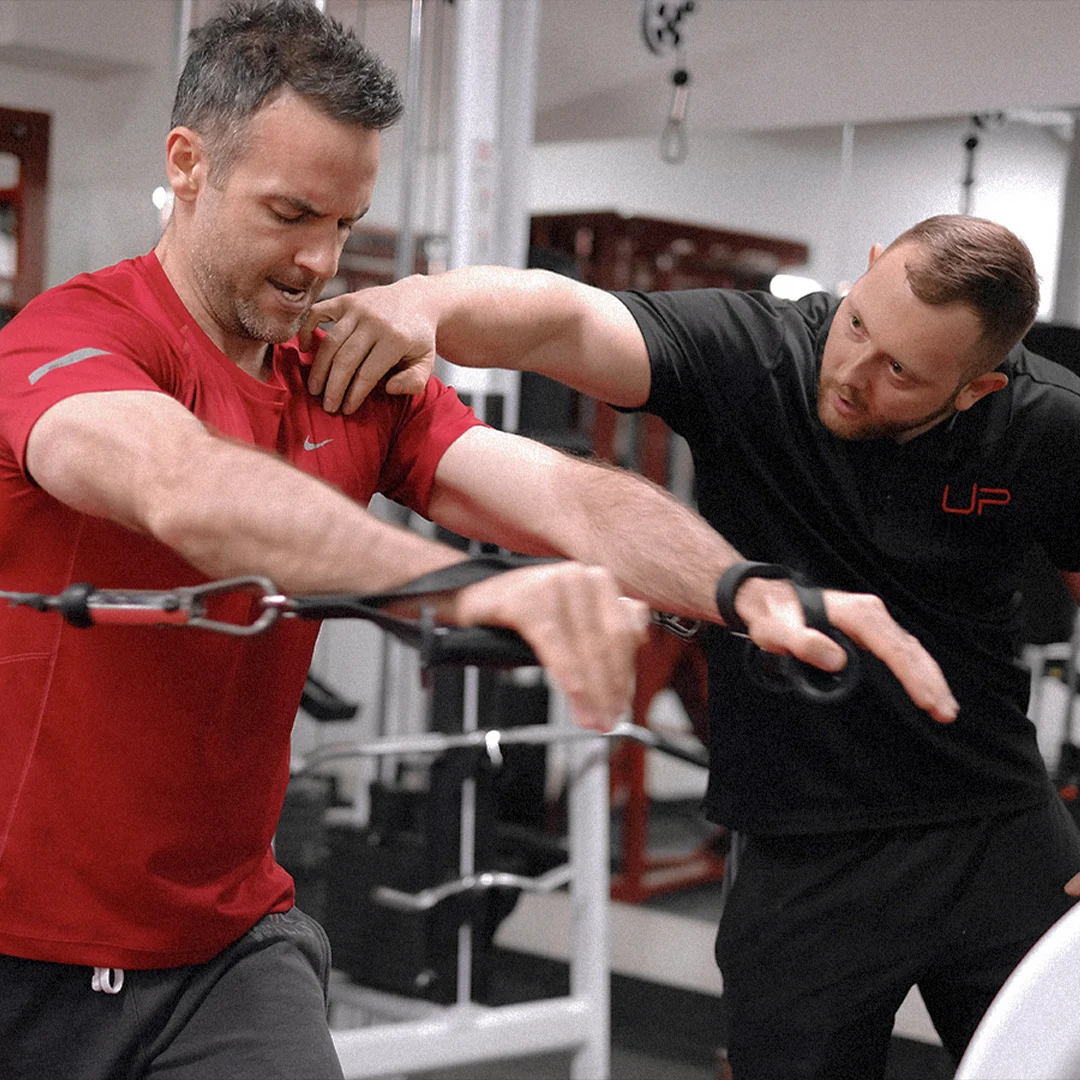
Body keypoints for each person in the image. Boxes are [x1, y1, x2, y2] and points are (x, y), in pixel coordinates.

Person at [0, 3, 956, 1079]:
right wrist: (467, 588)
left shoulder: (345, 370)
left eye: (347, 225)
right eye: (290, 214)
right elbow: (182, 484)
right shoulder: (77, 336)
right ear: (186, 164)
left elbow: (564, 496)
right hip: (19, 953)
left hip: (224, 952)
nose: (320, 261)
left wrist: (744, 589)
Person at [305, 212, 1080, 1078]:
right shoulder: (759, 354)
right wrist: (424, 301)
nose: (854, 372)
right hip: (800, 846)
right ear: (863, 272)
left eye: (901, 371)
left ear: (975, 389)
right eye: (858, 322)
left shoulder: (1049, 426)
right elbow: (568, 319)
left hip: (998, 833)